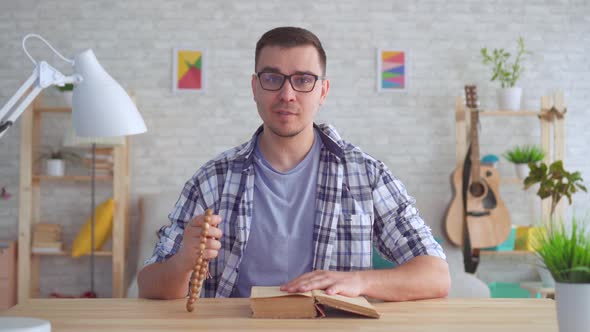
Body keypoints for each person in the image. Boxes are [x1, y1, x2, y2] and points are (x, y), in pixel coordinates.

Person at [138, 27, 450, 301]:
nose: (287, 94)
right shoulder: (212, 179)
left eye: (303, 80)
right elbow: (148, 284)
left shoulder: (366, 176)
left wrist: (358, 281)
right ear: (255, 88)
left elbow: (436, 275)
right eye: (272, 78)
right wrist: (183, 262)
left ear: (322, 91)